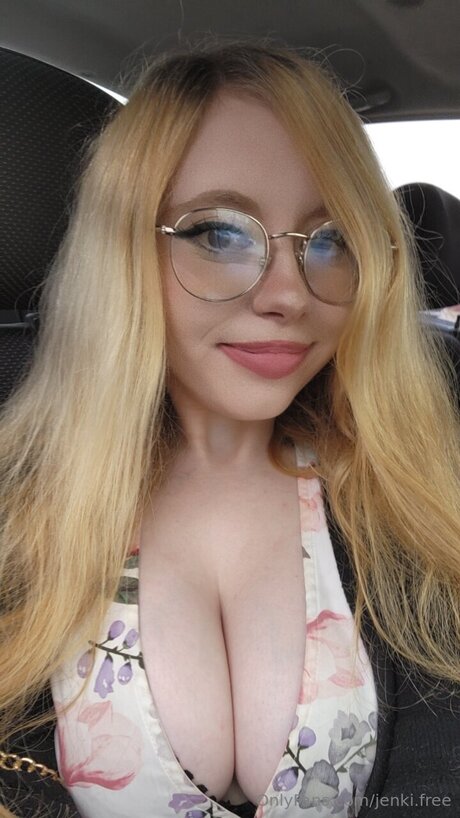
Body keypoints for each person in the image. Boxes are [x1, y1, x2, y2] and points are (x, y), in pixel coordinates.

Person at [0, 40, 459, 818]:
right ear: (122, 250)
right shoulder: (22, 502)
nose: (290, 294)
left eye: (332, 238)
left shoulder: (418, 484)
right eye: (219, 233)